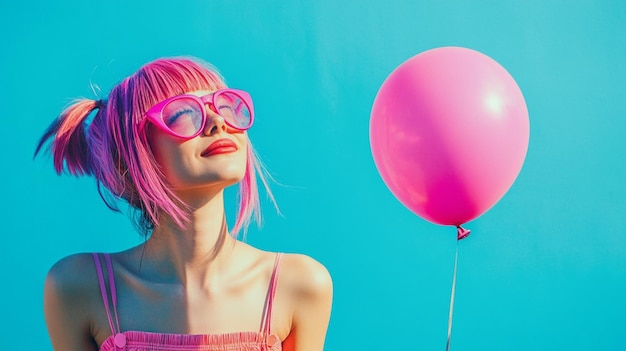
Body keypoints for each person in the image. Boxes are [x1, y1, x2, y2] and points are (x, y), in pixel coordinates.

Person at [35, 57, 333, 351]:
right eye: (184, 113)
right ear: (135, 152)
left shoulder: (300, 285)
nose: (218, 122)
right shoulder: (79, 288)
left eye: (226, 106)